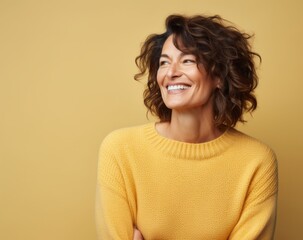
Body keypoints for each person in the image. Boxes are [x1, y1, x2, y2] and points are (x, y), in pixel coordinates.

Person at [96, 14, 278, 240]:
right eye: (164, 62)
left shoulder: (256, 162)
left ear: (219, 76)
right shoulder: (120, 150)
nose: (171, 73)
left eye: (188, 60)